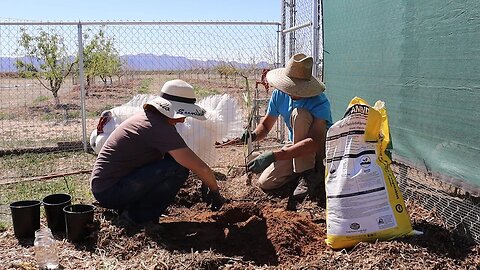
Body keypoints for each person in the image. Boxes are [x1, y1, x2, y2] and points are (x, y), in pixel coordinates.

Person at [90, 79, 225, 224]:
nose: (184, 119)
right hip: (110, 191)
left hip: (109, 186)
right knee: (178, 169)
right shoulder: (158, 127)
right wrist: (214, 190)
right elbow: (199, 166)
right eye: (184, 112)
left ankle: (134, 208)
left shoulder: (151, 119)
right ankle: (137, 217)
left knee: (172, 163)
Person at [242, 53, 332, 200]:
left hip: (319, 149)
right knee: (266, 182)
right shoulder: (279, 95)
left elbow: (315, 142)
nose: (293, 91)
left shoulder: (319, 102)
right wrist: (253, 135)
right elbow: (265, 125)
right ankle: (297, 171)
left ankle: (309, 174)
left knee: (300, 114)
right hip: (297, 145)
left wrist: (275, 155)